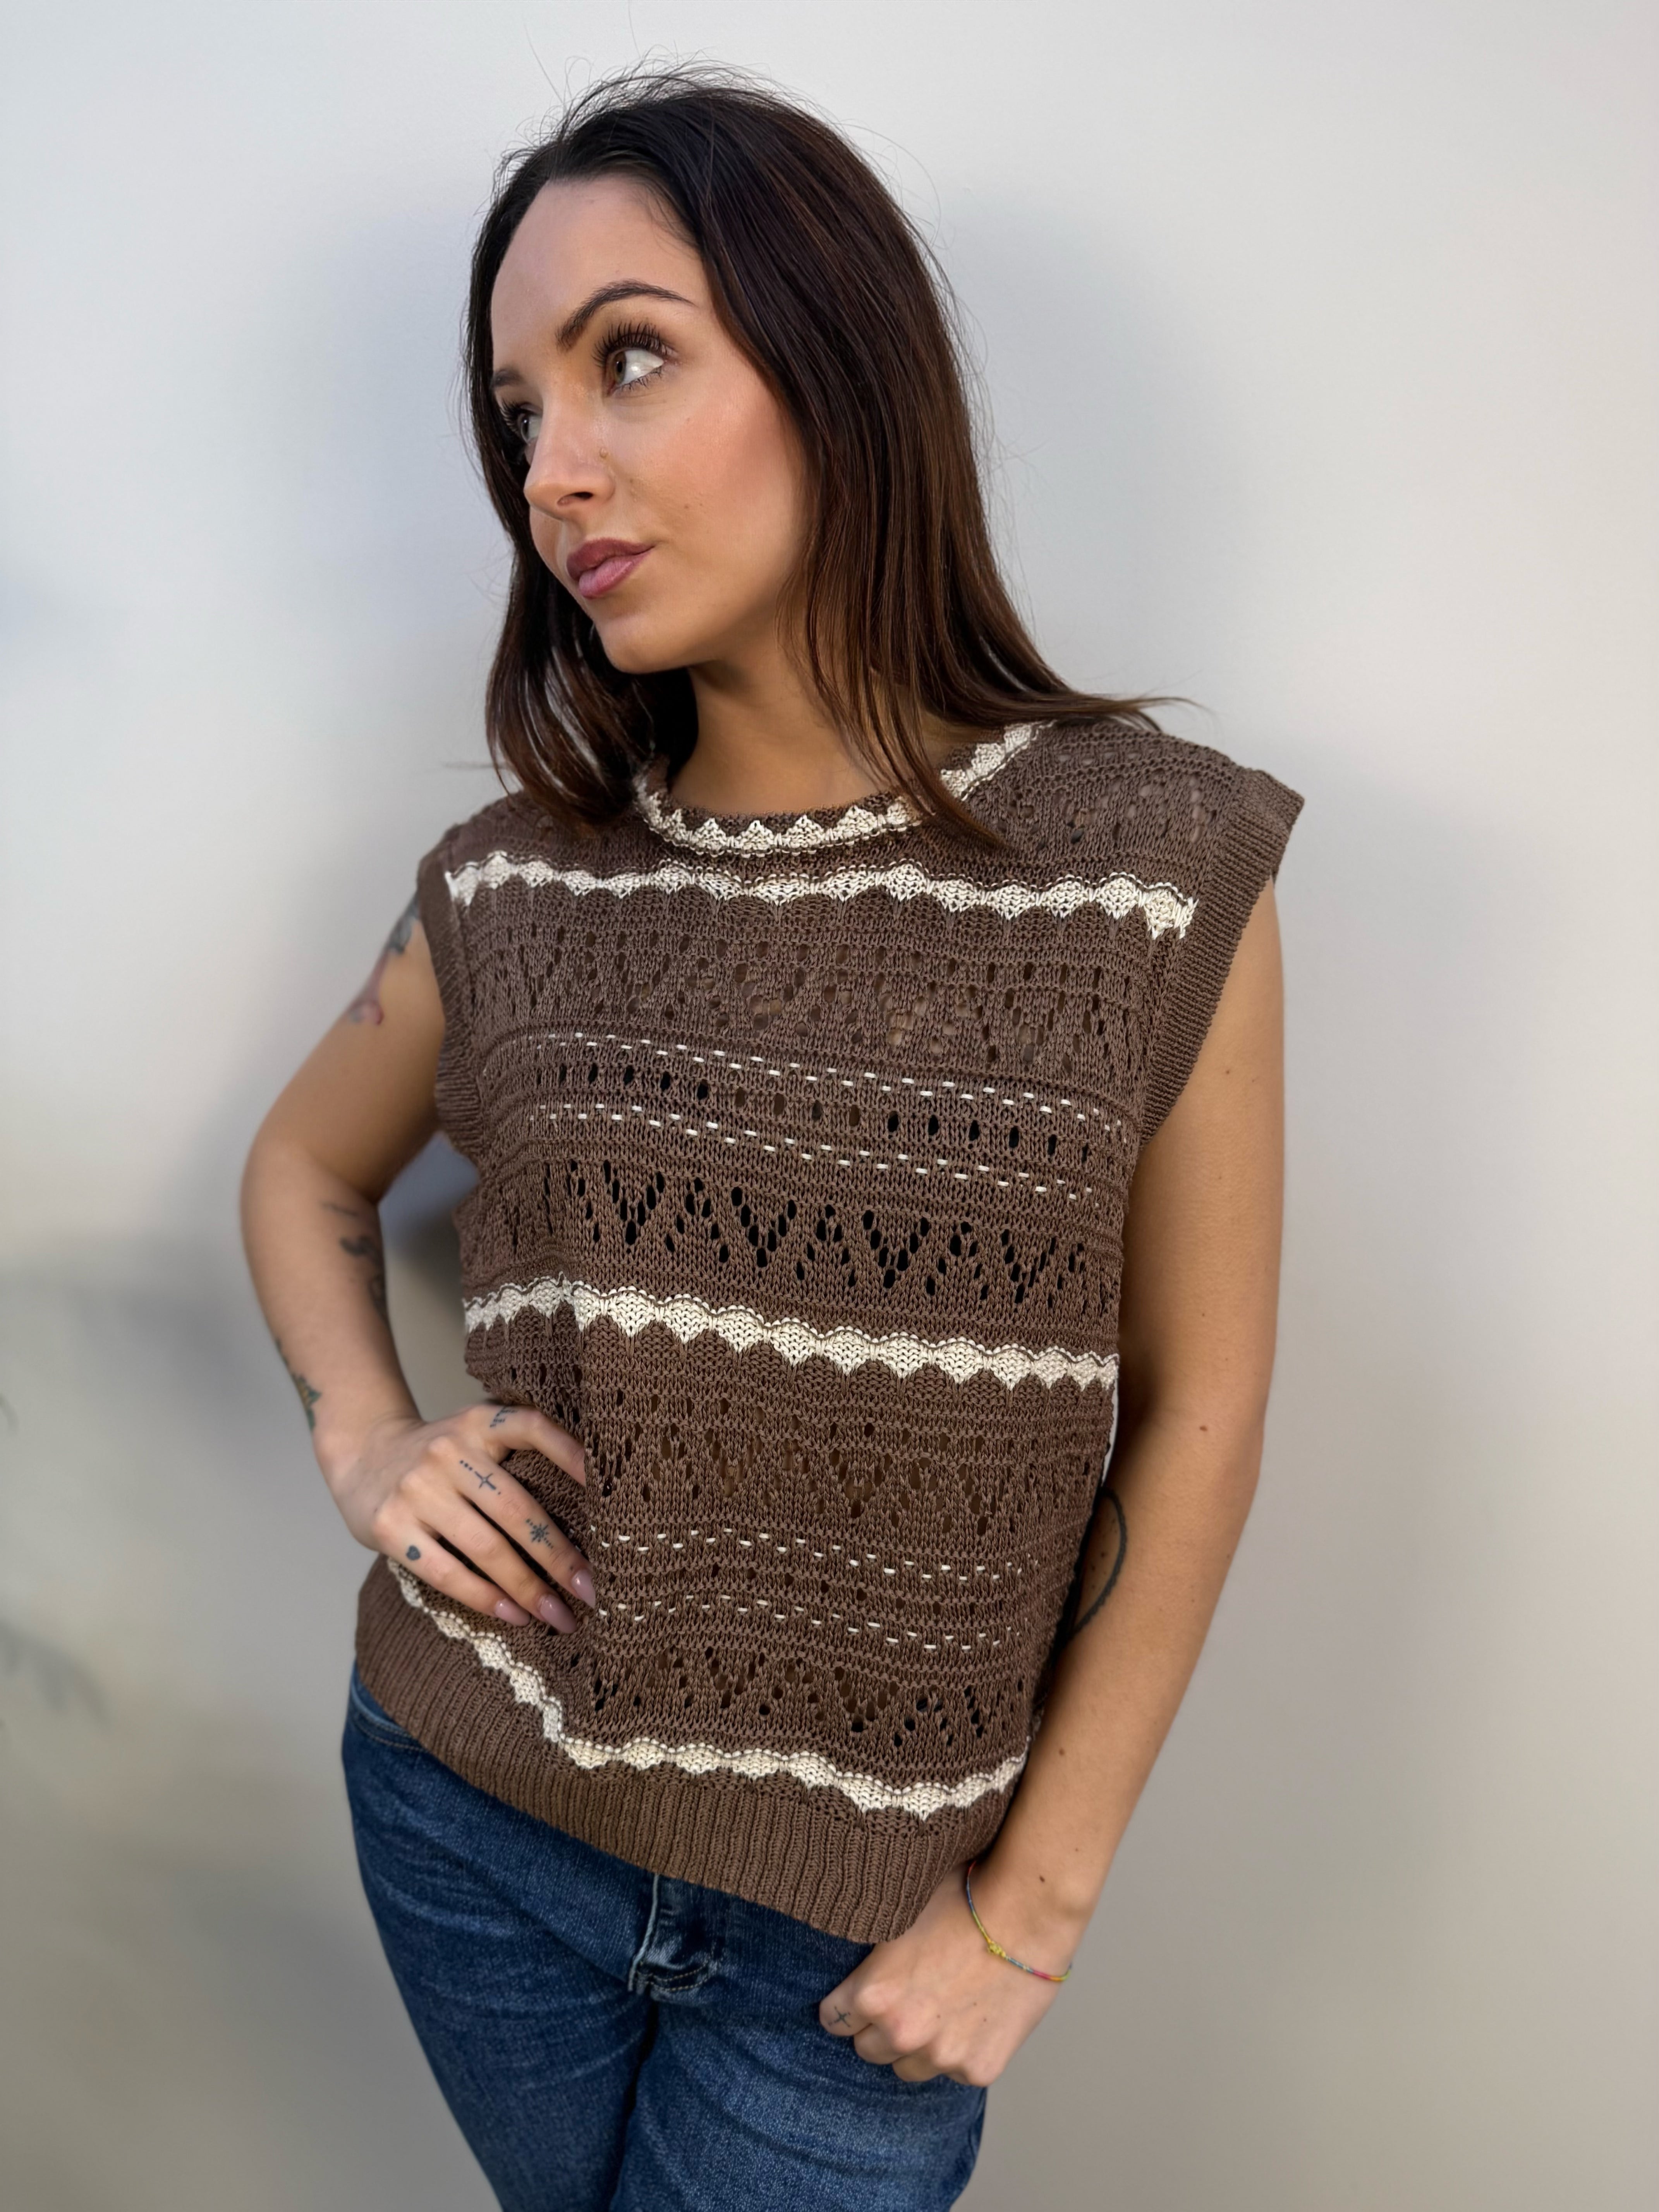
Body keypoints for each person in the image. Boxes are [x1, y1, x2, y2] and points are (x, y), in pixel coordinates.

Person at [240, 64, 1301, 2212]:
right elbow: (301, 1169)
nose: (555, 470)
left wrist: (1035, 1908)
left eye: (629, 357)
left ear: (839, 360)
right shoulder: (513, 881)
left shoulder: (1154, 866)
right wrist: (369, 1440)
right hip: (470, 1819)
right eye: (518, 413)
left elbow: (1198, 1407)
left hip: (859, 1952)